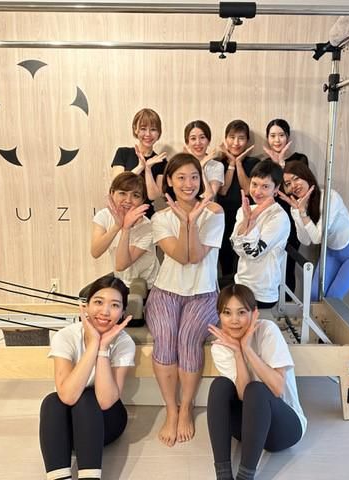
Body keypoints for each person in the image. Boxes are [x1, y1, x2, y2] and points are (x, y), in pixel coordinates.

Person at [145, 153, 225, 447]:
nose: (188, 183)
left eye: (193, 177)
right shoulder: (160, 218)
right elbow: (179, 256)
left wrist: (191, 222)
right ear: (169, 181)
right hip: (165, 292)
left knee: (189, 338)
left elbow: (195, 257)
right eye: (180, 177)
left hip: (203, 294)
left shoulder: (214, 212)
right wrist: (184, 222)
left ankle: (187, 406)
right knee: (165, 337)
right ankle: (171, 408)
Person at [39, 275, 135, 480]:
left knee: (88, 398)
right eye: (98, 302)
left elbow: (106, 400)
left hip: (106, 422)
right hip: (68, 431)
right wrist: (93, 345)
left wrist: (103, 348)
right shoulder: (66, 336)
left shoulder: (124, 343)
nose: (105, 311)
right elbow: (67, 396)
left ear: (122, 313)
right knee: (51, 402)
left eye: (115, 305)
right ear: (86, 306)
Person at [207, 284, 306, 480]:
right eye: (227, 313)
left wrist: (247, 349)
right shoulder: (220, 347)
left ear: (254, 314)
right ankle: (223, 475)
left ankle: (245, 477)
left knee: (257, 390)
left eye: (241, 312)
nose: (234, 320)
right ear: (219, 315)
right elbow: (243, 395)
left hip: (284, 428)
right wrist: (237, 352)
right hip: (249, 428)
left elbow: (277, 388)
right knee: (219, 386)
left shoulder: (268, 331)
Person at [280, 161, 349, 301]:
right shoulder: (297, 206)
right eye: (288, 183)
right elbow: (305, 241)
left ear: (306, 176)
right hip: (331, 252)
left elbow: (317, 238)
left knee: (333, 298)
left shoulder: (330, 197)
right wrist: (298, 213)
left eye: (296, 179)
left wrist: (303, 214)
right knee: (314, 295)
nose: (293, 185)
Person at [90, 172, 159, 327]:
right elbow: (96, 252)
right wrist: (117, 226)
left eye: (135, 195)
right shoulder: (103, 216)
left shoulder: (148, 227)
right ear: (112, 193)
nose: (128, 200)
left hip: (147, 287)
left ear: (142, 200)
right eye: (122, 193)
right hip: (121, 281)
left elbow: (121, 264)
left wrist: (125, 228)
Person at [231, 160, 290, 309]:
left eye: (265, 186)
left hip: (263, 293)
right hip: (241, 283)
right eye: (254, 184)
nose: (257, 191)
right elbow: (237, 248)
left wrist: (252, 219)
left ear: (276, 189)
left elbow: (253, 252)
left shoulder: (279, 217)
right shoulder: (244, 210)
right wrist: (247, 218)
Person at [263, 119, 310, 296]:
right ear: (267, 138)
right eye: (273, 136)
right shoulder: (265, 164)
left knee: (289, 264)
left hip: (293, 219)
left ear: (288, 137)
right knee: (270, 264)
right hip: (271, 220)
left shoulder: (299, 160)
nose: (277, 140)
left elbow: (294, 190)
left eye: (281, 135)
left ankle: (288, 305)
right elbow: (266, 193)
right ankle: (272, 303)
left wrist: (281, 165)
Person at [215, 120, 257, 281]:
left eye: (241, 138)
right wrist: (231, 164)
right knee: (225, 259)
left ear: (247, 141)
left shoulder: (254, 163)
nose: (236, 142)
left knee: (242, 262)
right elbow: (222, 190)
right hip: (223, 217)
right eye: (232, 137)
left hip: (246, 218)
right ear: (226, 139)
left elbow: (247, 190)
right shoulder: (219, 163)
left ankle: (241, 292)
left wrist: (238, 162)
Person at [110, 108, 167, 215]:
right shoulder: (123, 153)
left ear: (159, 132)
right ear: (135, 129)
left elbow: (153, 196)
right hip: (122, 212)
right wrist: (140, 167)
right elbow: (116, 185)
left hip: (146, 215)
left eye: (153, 129)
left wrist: (148, 169)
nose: (148, 134)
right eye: (143, 129)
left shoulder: (161, 161)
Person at [184, 120, 223, 199]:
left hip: (207, 207)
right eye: (193, 138)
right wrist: (201, 164)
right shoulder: (181, 165)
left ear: (208, 141)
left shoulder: (217, 166)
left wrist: (200, 166)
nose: (198, 142)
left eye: (202, 137)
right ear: (187, 142)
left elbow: (209, 197)